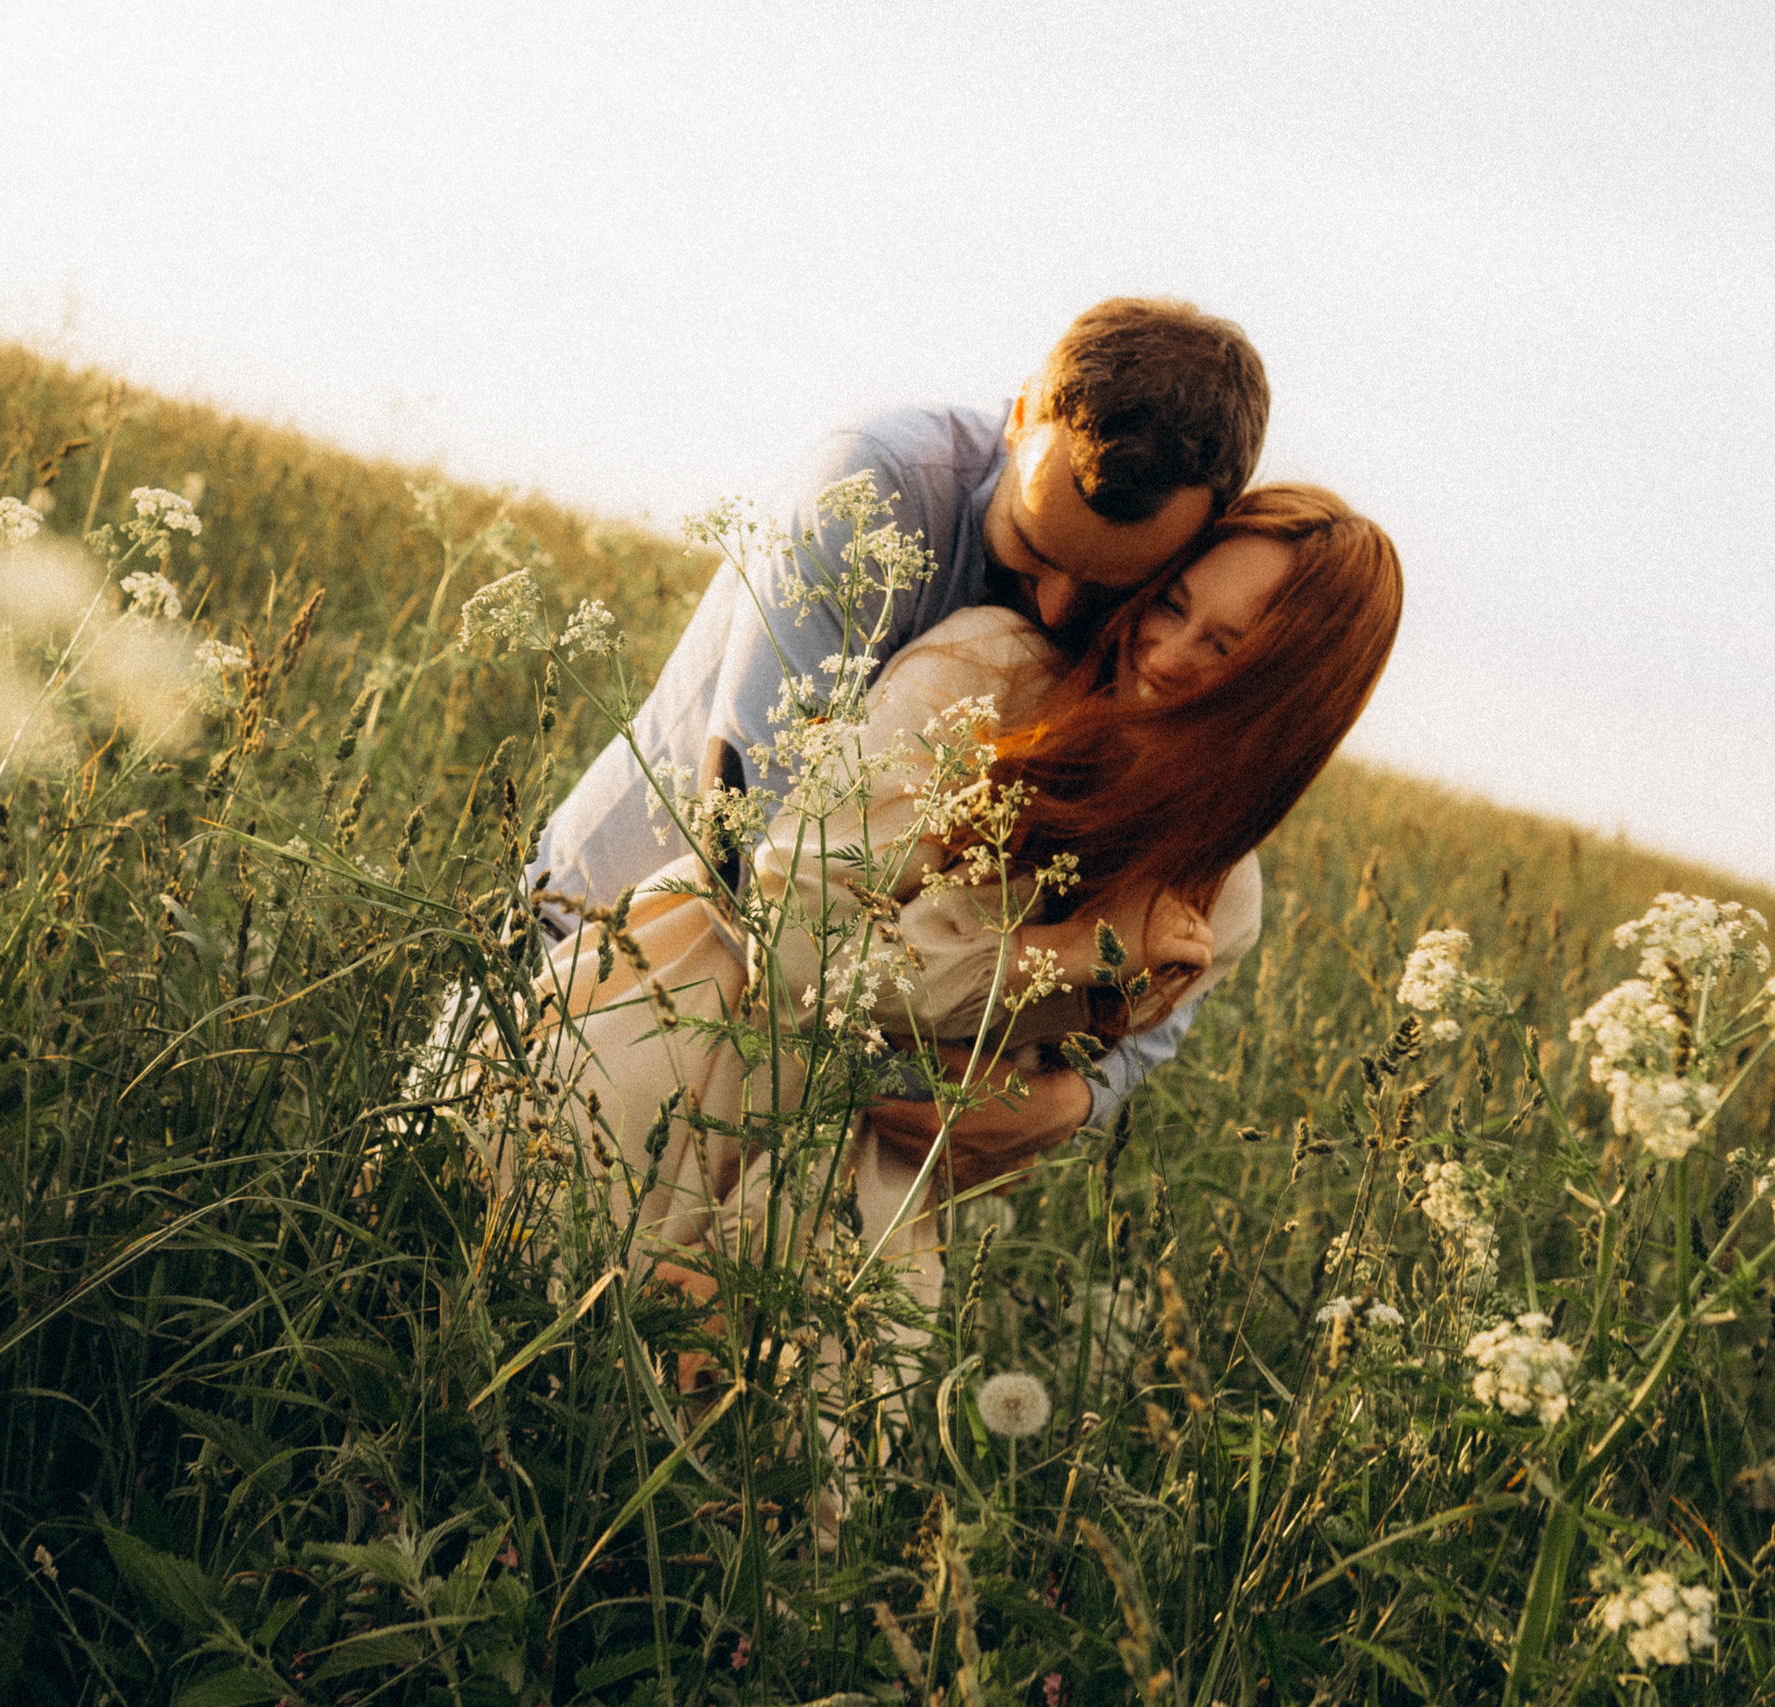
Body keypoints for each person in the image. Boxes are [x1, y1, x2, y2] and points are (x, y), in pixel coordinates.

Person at [513, 484, 1401, 1363]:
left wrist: (1054, 1097)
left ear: (1289, 701)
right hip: (689, 1048)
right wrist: (1076, 953)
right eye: (1171, 603)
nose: (1166, 652)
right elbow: (799, 943)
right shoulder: (994, 669)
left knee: (759, 1434)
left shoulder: (1221, 903)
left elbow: (1010, 1102)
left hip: (860, 1193)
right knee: (525, 1325)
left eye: (1225, 648)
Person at [528, 299, 1272, 1194]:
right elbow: (759, 855)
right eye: (1031, 548)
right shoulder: (873, 486)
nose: (1056, 610)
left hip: (822, 1096)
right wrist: (936, 1087)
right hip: (597, 949)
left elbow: (1183, 928)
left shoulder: (1166, 644)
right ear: (1020, 413)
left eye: (1113, 591)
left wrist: (1077, 1097)